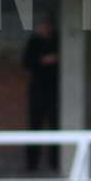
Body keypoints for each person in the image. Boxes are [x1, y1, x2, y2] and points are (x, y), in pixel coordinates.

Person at [22, 14, 60, 171]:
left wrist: (55, 59)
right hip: (37, 91)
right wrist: (43, 60)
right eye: (42, 26)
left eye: (47, 26)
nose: (44, 29)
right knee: (34, 126)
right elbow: (26, 63)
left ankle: (56, 163)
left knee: (55, 126)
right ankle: (32, 165)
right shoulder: (34, 42)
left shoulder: (58, 41)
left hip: (55, 91)